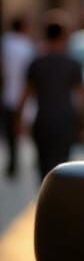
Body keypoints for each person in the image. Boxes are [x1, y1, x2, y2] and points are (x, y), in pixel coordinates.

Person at [16, 16, 84, 182]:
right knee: (63, 165)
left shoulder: (36, 63)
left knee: (44, 167)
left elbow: (24, 96)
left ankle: (45, 199)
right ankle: (59, 200)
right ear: (64, 37)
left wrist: (19, 121)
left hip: (43, 121)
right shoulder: (73, 63)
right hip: (65, 122)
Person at [2, 16, 35, 177]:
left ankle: (12, 163)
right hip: (23, 93)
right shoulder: (26, 46)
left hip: (8, 94)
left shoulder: (5, 44)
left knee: (10, 132)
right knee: (26, 129)